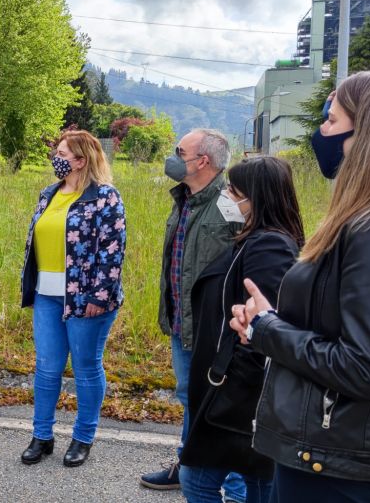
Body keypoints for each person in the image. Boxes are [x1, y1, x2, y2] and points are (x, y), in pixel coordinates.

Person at [231, 70, 370, 501]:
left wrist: (267, 331)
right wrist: (269, 321)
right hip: (329, 448)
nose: (320, 132)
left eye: (331, 120)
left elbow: (369, 369)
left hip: (335, 460)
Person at [180, 156, 304, 503]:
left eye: (234, 191)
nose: (227, 197)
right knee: (259, 480)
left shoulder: (269, 246)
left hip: (241, 387)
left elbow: (265, 322)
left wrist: (237, 383)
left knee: (200, 480)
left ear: (257, 197)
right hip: (242, 384)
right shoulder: (258, 238)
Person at [140, 128, 245, 501]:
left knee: (220, 403)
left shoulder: (230, 201)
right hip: (182, 323)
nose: (173, 156)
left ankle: (234, 485)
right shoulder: (184, 198)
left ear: (202, 161)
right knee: (191, 398)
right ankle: (189, 466)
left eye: (179, 151)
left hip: (215, 328)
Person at [18, 130, 125, 468]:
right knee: (47, 368)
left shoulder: (105, 197)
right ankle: (42, 436)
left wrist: (99, 294)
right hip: (47, 296)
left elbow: (113, 250)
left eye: (62, 152)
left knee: (86, 368)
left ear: (81, 160)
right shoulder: (48, 193)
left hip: (87, 299)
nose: (56, 157)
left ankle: (83, 437)